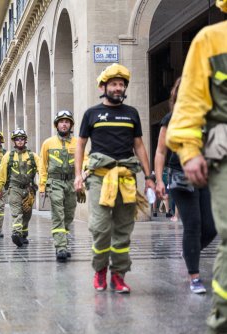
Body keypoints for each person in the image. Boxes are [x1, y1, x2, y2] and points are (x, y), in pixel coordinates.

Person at [166, 2, 227, 330]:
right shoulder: (211, 40)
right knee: (202, 227)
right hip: (211, 162)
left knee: (210, 229)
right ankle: (222, 319)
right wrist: (188, 153)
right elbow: (187, 107)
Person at [74, 63, 155, 293]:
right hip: (100, 177)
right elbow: (80, 144)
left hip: (127, 178)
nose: (118, 88)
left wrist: (149, 177)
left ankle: (118, 275)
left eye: (121, 84)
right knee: (100, 228)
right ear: (104, 86)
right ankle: (100, 270)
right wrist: (78, 175)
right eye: (114, 84)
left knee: (123, 229)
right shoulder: (92, 113)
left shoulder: (132, 113)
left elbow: (139, 145)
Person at [155, 78, 217, 293]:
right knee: (193, 224)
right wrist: (159, 180)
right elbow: (161, 151)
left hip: (205, 176)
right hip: (180, 177)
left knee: (211, 227)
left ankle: (190, 250)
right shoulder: (171, 119)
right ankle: (194, 277)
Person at [39, 110, 78, 262]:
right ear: (57, 125)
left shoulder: (77, 142)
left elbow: (84, 160)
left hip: (72, 182)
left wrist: (83, 179)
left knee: (69, 214)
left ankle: (63, 243)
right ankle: (60, 247)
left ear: (71, 125)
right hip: (54, 183)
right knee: (58, 213)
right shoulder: (48, 143)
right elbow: (43, 166)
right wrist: (42, 187)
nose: (64, 124)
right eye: (61, 121)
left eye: (67, 121)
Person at [0, 129, 41, 247]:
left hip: (29, 189)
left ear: (25, 140)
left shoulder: (33, 156)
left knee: (27, 212)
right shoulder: (8, 156)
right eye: (17, 139)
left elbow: (42, 169)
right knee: (17, 211)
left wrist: (43, 185)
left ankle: (23, 233)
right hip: (14, 188)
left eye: (22, 139)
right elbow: (2, 173)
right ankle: (16, 233)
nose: (19, 141)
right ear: (14, 141)